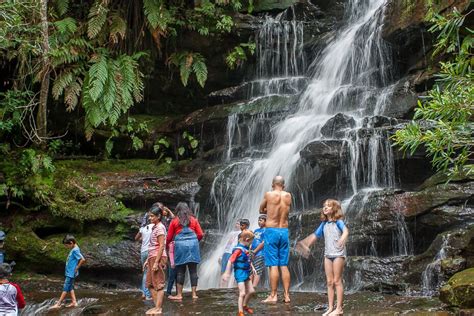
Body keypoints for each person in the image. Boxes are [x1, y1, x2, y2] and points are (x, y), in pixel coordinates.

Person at [296, 199, 349, 316]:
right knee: (329, 282)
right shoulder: (324, 224)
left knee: (337, 281)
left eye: (328, 206)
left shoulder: (338, 222)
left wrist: (342, 238)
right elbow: (315, 236)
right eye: (324, 206)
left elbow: (345, 231)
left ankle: (339, 308)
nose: (325, 208)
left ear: (334, 209)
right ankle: (330, 308)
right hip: (328, 255)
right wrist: (305, 244)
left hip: (338, 255)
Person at [259, 176, 292, 303]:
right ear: (283, 185)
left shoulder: (269, 194)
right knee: (283, 264)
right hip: (284, 231)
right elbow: (286, 210)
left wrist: (268, 209)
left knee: (273, 264)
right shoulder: (288, 196)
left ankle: (273, 295)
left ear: (273, 184)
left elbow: (261, 209)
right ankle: (287, 295)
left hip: (271, 231)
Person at [166, 202, 204, 300]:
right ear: (188, 210)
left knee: (180, 271)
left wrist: (166, 246)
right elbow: (200, 234)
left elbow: (169, 237)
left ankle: (179, 295)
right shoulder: (194, 220)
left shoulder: (174, 221)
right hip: (193, 246)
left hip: (180, 247)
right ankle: (194, 294)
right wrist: (195, 242)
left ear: (177, 210)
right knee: (193, 271)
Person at [221, 230, 256, 316]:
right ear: (247, 240)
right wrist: (227, 272)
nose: (251, 244)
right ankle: (240, 312)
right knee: (242, 293)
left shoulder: (245, 249)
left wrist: (253, 267)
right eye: (251, 242)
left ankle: (244, 305)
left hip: (246, 272)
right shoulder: (238, 250)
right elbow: (230, 261)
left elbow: (247, 259)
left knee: (251, 291)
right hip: (239, 273)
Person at [144, 204, 168, 315]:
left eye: (152, 216)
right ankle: (156, 307)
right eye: (149, 216)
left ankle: (158, 308)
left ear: (158, 216)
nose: (150, 218)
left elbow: (161, 245)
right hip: (152, 257)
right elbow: (152, 245)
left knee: (158, 284)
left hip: (157, 257)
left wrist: (156, 262)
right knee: (149, 284)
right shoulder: (154, 227)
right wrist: (147, 260)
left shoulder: (160, 227)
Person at [51, 235, 86, 309]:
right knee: (70, 287)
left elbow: (82, 259)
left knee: (65, 288)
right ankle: (74, 302)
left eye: (67, 245)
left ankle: (58, 304)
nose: (67, 247)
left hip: (71, 273)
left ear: (71, 243)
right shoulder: (75, 248)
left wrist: (77, 267)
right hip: (70, 272)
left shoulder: (75, 250)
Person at [135, 214, 154, 301]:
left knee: (145, 273)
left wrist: (143, 238)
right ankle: (148, 294)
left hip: (143, 251)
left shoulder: (143, 228)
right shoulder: (154, 226)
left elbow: (136, 238)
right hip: (151, 251)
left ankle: (143, 293)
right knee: (151, 273)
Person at [220, 222, 241, 288]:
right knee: (223, 270)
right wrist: (221, 254)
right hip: (226, 252)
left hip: (233, 252)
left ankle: (229, 286)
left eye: (238, 224)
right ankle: (221, 286)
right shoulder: (231, 233)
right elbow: (226, 244)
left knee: (230, 270)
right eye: (236, 223)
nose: (236, 225)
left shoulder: (241, 233)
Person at [251, 214, 266, 287]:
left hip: (260, 253)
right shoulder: (256, 230)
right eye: (258, 220)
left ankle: (254, 286)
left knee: (257, 269)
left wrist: (255, 251)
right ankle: (249, 285)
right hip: (252, 252)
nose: (259, 222)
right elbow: (252, 240)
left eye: (261, 220)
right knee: (251, 269)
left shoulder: (266, 230)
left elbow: (263, 242)